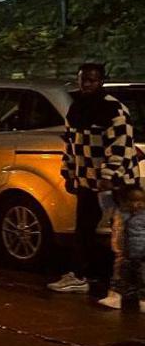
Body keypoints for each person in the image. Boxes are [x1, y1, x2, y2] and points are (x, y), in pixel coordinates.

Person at [49, 63, 137, 294]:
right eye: (83, 79)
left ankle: (128, 283)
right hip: (88, 179)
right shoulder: (76, 109)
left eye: (92, 80)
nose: (86, 84)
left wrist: (108, 175)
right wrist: (68, 172)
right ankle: (80, 274)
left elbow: (120, 146)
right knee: (84, 229)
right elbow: (71, 144)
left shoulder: (113, 109)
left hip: (117, 182)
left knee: (126, 231)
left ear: (101, 81)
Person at [99, 186, 145, 311]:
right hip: (123, 254)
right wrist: (105, 189)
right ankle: (115, 298)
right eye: (132, 200)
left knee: (142, 278)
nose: (137, 204)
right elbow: (106, 203)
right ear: (123, 201)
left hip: (141, 255)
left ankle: (143, 301)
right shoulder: (119, 213)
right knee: (119, 277)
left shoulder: (143, 215)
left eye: (140, 201)